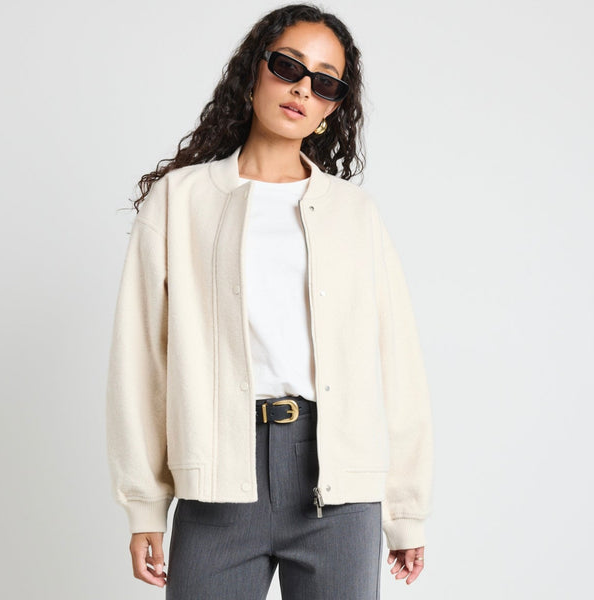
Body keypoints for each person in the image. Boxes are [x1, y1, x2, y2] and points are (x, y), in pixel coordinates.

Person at [105, 3, 434, 598]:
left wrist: (405, 509)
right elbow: (141, 360)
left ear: (332, 108)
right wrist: (145, 504)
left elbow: (399, 361)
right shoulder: (180, 200)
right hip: (218, 476)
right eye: (289, 67)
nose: (303, 89)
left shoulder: (354, 213)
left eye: (325, 83)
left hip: (337, 484)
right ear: (253, 72)